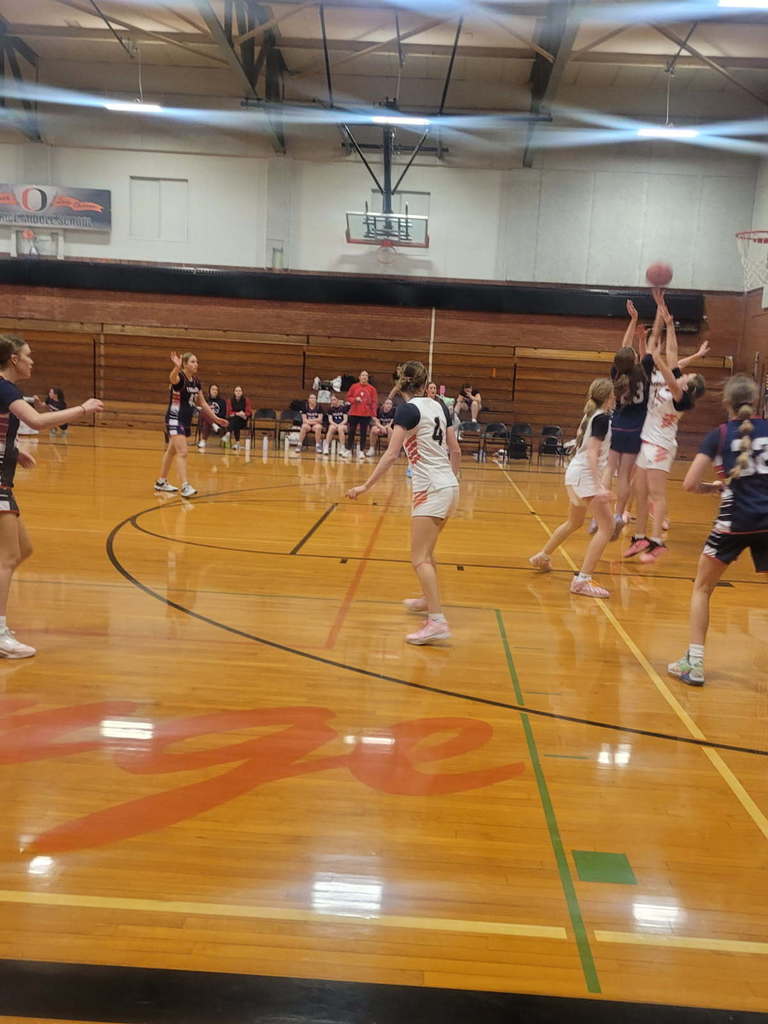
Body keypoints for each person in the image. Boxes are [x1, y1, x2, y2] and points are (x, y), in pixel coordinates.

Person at [0, 334, 103, 658]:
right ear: (13, 359)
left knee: (22, 550)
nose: (32, 361)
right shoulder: (5, 389)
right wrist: (81, 409)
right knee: (7, 558)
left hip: (4, 479)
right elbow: (37, 420)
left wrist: (14, 453)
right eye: (28, 356)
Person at [347, 360, 461, 645]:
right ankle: (427, 599)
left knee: (419, 558)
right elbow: (455, 449)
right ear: (424, 383)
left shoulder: (407, 410)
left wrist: (365, 485)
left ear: (401, 383)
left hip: (431, 489)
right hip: (449, 486)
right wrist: (449, 480)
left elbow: (390, 455)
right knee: (428, 550)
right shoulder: (440, 406)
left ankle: (437, 621)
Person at [668, 375, 768, 687]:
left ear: (726, 403)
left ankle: (694, 663)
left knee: (702, 589)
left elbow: (688, 484)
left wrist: (711, 487)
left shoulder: (719, 435)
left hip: (733, 522)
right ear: (757, 402)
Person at [624, 291, 706, 563]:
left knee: (657, 495)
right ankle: (639, 537)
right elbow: (673, 356)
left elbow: (669, 366)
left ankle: (657, 542)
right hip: (648, 442)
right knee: (641, 490)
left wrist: (653, 352)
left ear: (688, 386)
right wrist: (668, 322)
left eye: (688, 376)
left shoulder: (680, 397)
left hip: (660, 447)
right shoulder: (671, 382)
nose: (684, 374)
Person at [529, 379, 616, 598]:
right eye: (613, 394)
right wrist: (599, 487)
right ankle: (582, 580)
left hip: (576, 473)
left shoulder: (592, 415)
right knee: (607, 526)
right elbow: (592, 453)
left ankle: (543, 555)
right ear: (608, 397)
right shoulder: (602, 418)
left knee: (575, 522)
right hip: (585, 475)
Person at [156, 352, 228, 497]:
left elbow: (202, 402)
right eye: (193, 362)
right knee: (183, 452)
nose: (196, 364)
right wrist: (176, 368)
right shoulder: (180, 378)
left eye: (197, 362)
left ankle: (161, 482)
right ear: (185, 364)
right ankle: (185, 486)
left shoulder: (196, 381)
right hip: (174, 418)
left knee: (171, 451)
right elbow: (172, 378)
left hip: (185, 419)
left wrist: (215, 418)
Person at [346, 370, 378, 459]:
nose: (364, 377)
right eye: (363, 375)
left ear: (367, 378)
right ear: (359, 377)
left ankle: (361, 451)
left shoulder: (372, 389)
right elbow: (348, 397)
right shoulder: (354, 386)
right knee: (351, 432)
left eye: (366, 376)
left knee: (363, 433)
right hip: (354, 412)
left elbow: (374, 402)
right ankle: (348, 450)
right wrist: (355, 399)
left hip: (365, 414)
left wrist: (373, 413)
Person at [197, 384, 227, 449]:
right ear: (209, 391)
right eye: (213, 389)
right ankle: (214, 425)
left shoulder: (222, 401)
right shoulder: (205, 401)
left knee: (206, 421)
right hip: (207, 421)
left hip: (218, 421)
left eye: (216, 390)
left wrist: (213, 416)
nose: (215, 391)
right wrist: (208, 410)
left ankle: (203, 441)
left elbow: (223, 414)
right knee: (203, 410)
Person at [227, 385, 252, 451]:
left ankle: (228, 433)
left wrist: (243, 414)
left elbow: (249, 412)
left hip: (243, 421)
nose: (238, 392)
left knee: (235, 421)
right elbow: (229, 412)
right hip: (235, 420)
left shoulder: (246, 400)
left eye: (239, 391)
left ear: (242, 392)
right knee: (235, 420)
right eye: (236, 391)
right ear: (234, 392)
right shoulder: (230, 400)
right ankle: (237, 443)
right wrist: (237, 413)